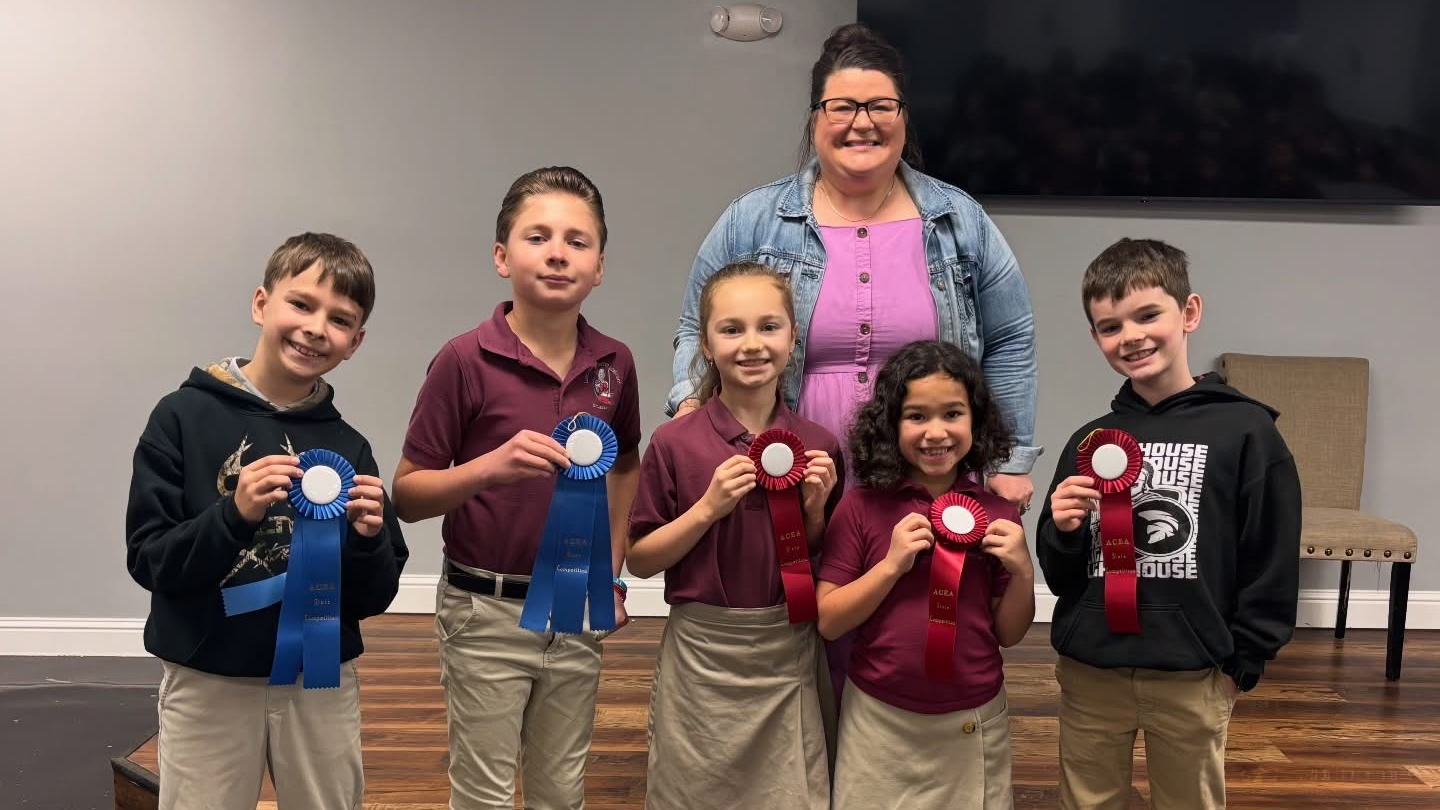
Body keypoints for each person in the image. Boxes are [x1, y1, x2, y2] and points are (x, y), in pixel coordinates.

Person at [125, 232, 408, 809]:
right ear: (261, 303)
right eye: (301, 304)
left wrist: (368, 538)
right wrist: (234, 515)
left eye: (339, 319)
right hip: (208, 676)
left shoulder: (348, 447)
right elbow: (149, 559)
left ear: (355, 342)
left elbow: (376, 593)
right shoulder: (181, 416)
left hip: (318, 680)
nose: (314, 327)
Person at [392, 167, 642, 810]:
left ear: (600, 266)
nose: (558, 252)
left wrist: (609, 571)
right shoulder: (463, 360)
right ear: (503, 257)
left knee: (562, 788)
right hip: (486, 612)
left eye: (577, 241)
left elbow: (624, 467)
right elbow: (409, 495)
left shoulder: (617, 364)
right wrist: (489, 468)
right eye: (538, 237)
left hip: (575, 607)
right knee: (485, 792)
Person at [1037, 238, 1301, 810]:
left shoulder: (1248, 433)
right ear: (1095, 339)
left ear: (1189, 313)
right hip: (1092, 670)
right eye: (1110, 326)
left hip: (1194, 673)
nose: (1130, 336)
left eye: (1147, 314)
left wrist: (1243, 663)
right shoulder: (1089, 439)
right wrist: (1061, 530)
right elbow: (1061, 576)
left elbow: (1271, 556)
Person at [628, 261, 842, 810]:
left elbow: (823, 561)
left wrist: (815, 513)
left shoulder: (818, 446)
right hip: (702, 653)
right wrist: (707, 509)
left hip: (787, 649)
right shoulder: (675, 443)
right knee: (690, 791)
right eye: (732, 329)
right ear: (705, 343)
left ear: (793, 337)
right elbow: (642, 559)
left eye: (769, 327)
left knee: (793, 791)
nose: (752, 344)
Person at [817, 340, 1032, 809]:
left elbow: (1010, 633)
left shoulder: (998, 515)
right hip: (878, 718)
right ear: (890, 425)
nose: (936, 432)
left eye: (952, 414)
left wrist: (1021, 571)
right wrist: (892, 566)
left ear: (976, 419)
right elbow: (829, 621)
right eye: (916, 416)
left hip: (972, 718)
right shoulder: (860, 507)